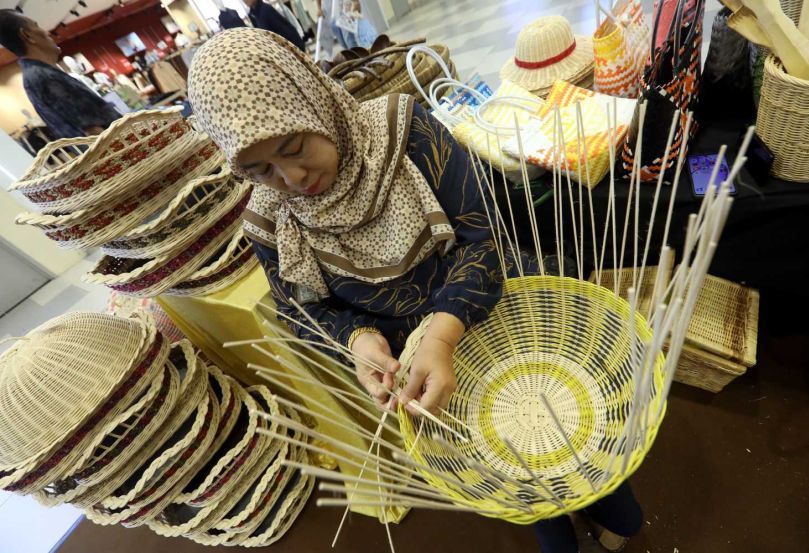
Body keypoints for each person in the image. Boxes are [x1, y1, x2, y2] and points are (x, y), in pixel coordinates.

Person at [187, 28, 642, 553]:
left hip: (491, 313)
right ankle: (550, 524)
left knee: (567, 431)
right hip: (416, 366)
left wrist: (443, 335)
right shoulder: (270, 222)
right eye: (260, 169)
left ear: (314, 104)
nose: (291, 177)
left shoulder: (403, 132)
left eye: (294, 147)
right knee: (509, 462)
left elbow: (484, 236)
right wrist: (357, 342)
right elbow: (302, 312)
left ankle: (611, 507)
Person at [0, 10, 120, 138]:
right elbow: (94, 132)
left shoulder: (38, 75)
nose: (47, 33)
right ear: (27, 35)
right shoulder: (45, 78)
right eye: (36, 26)